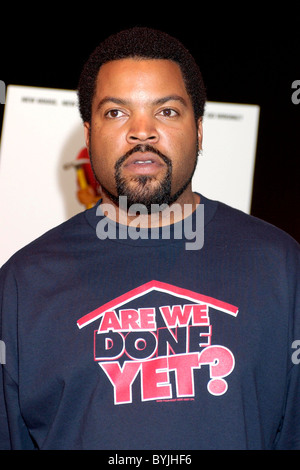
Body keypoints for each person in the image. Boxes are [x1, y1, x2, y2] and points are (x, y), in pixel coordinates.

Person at [0, 27, 299, 451]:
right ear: (87, 136)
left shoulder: (281, 266)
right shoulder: (21, 285)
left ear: (199, 129)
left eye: (167, 112)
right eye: (116, 113)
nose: (142, 131)